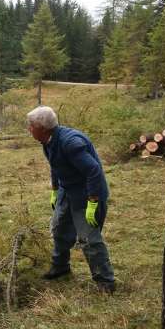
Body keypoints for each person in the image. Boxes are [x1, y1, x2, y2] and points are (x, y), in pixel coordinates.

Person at [27, 106, 115, 294]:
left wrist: (93, 201)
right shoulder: (47, 141)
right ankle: (61, 267)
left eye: (31, 125)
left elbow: (94, 171)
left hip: (86, 194)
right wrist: (55, 189)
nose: (29, 128)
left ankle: (105, 281)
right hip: (66, 191)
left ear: (42, 127)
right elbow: (55, 165)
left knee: (88, 239)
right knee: (59, 228)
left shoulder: (71, 143)